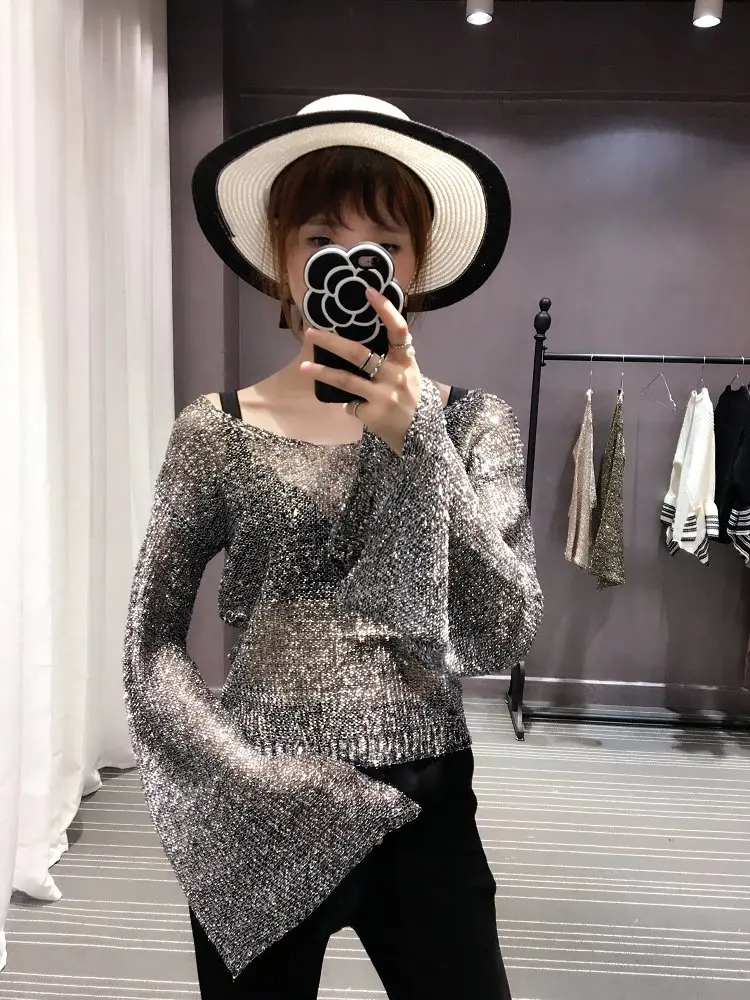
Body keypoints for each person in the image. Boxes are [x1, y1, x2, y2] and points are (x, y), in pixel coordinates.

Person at [122, 93, 544, 999]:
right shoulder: (215, 431)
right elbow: (149, 642)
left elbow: (503, 630)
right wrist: (241, 774)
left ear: (415, 265)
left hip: (423, 803)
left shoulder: (475, 425)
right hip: (258, 803)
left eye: (382, 245)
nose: (353, 267)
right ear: (283, 259)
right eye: (321, 240)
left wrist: (418, 441)